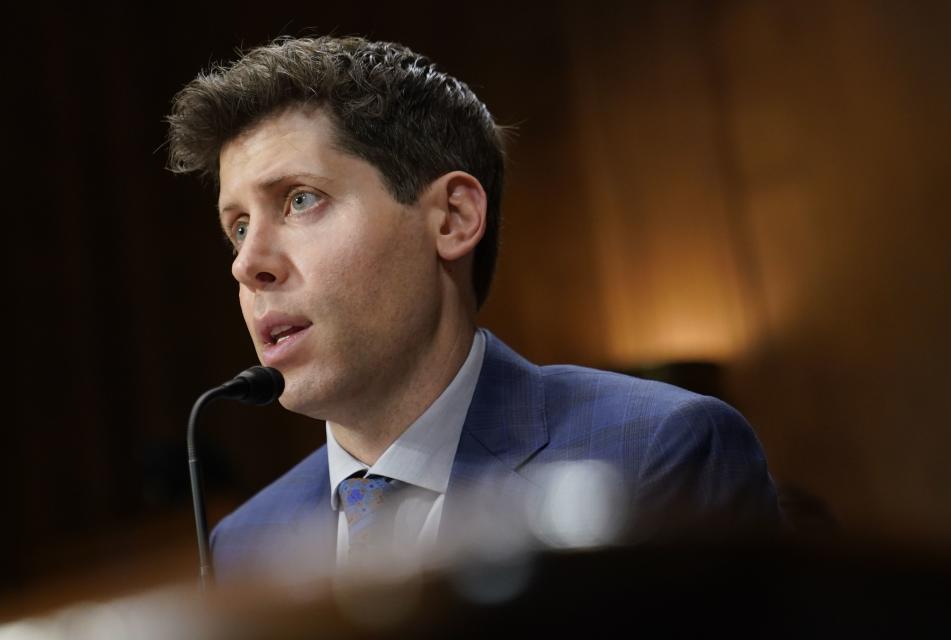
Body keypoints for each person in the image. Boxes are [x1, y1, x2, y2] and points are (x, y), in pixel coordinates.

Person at [166, 35, 781, 581]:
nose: (247, 265)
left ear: (454, 218)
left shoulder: (656, 453)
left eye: (301, 200)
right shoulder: (241, 547)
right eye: (239, 227)